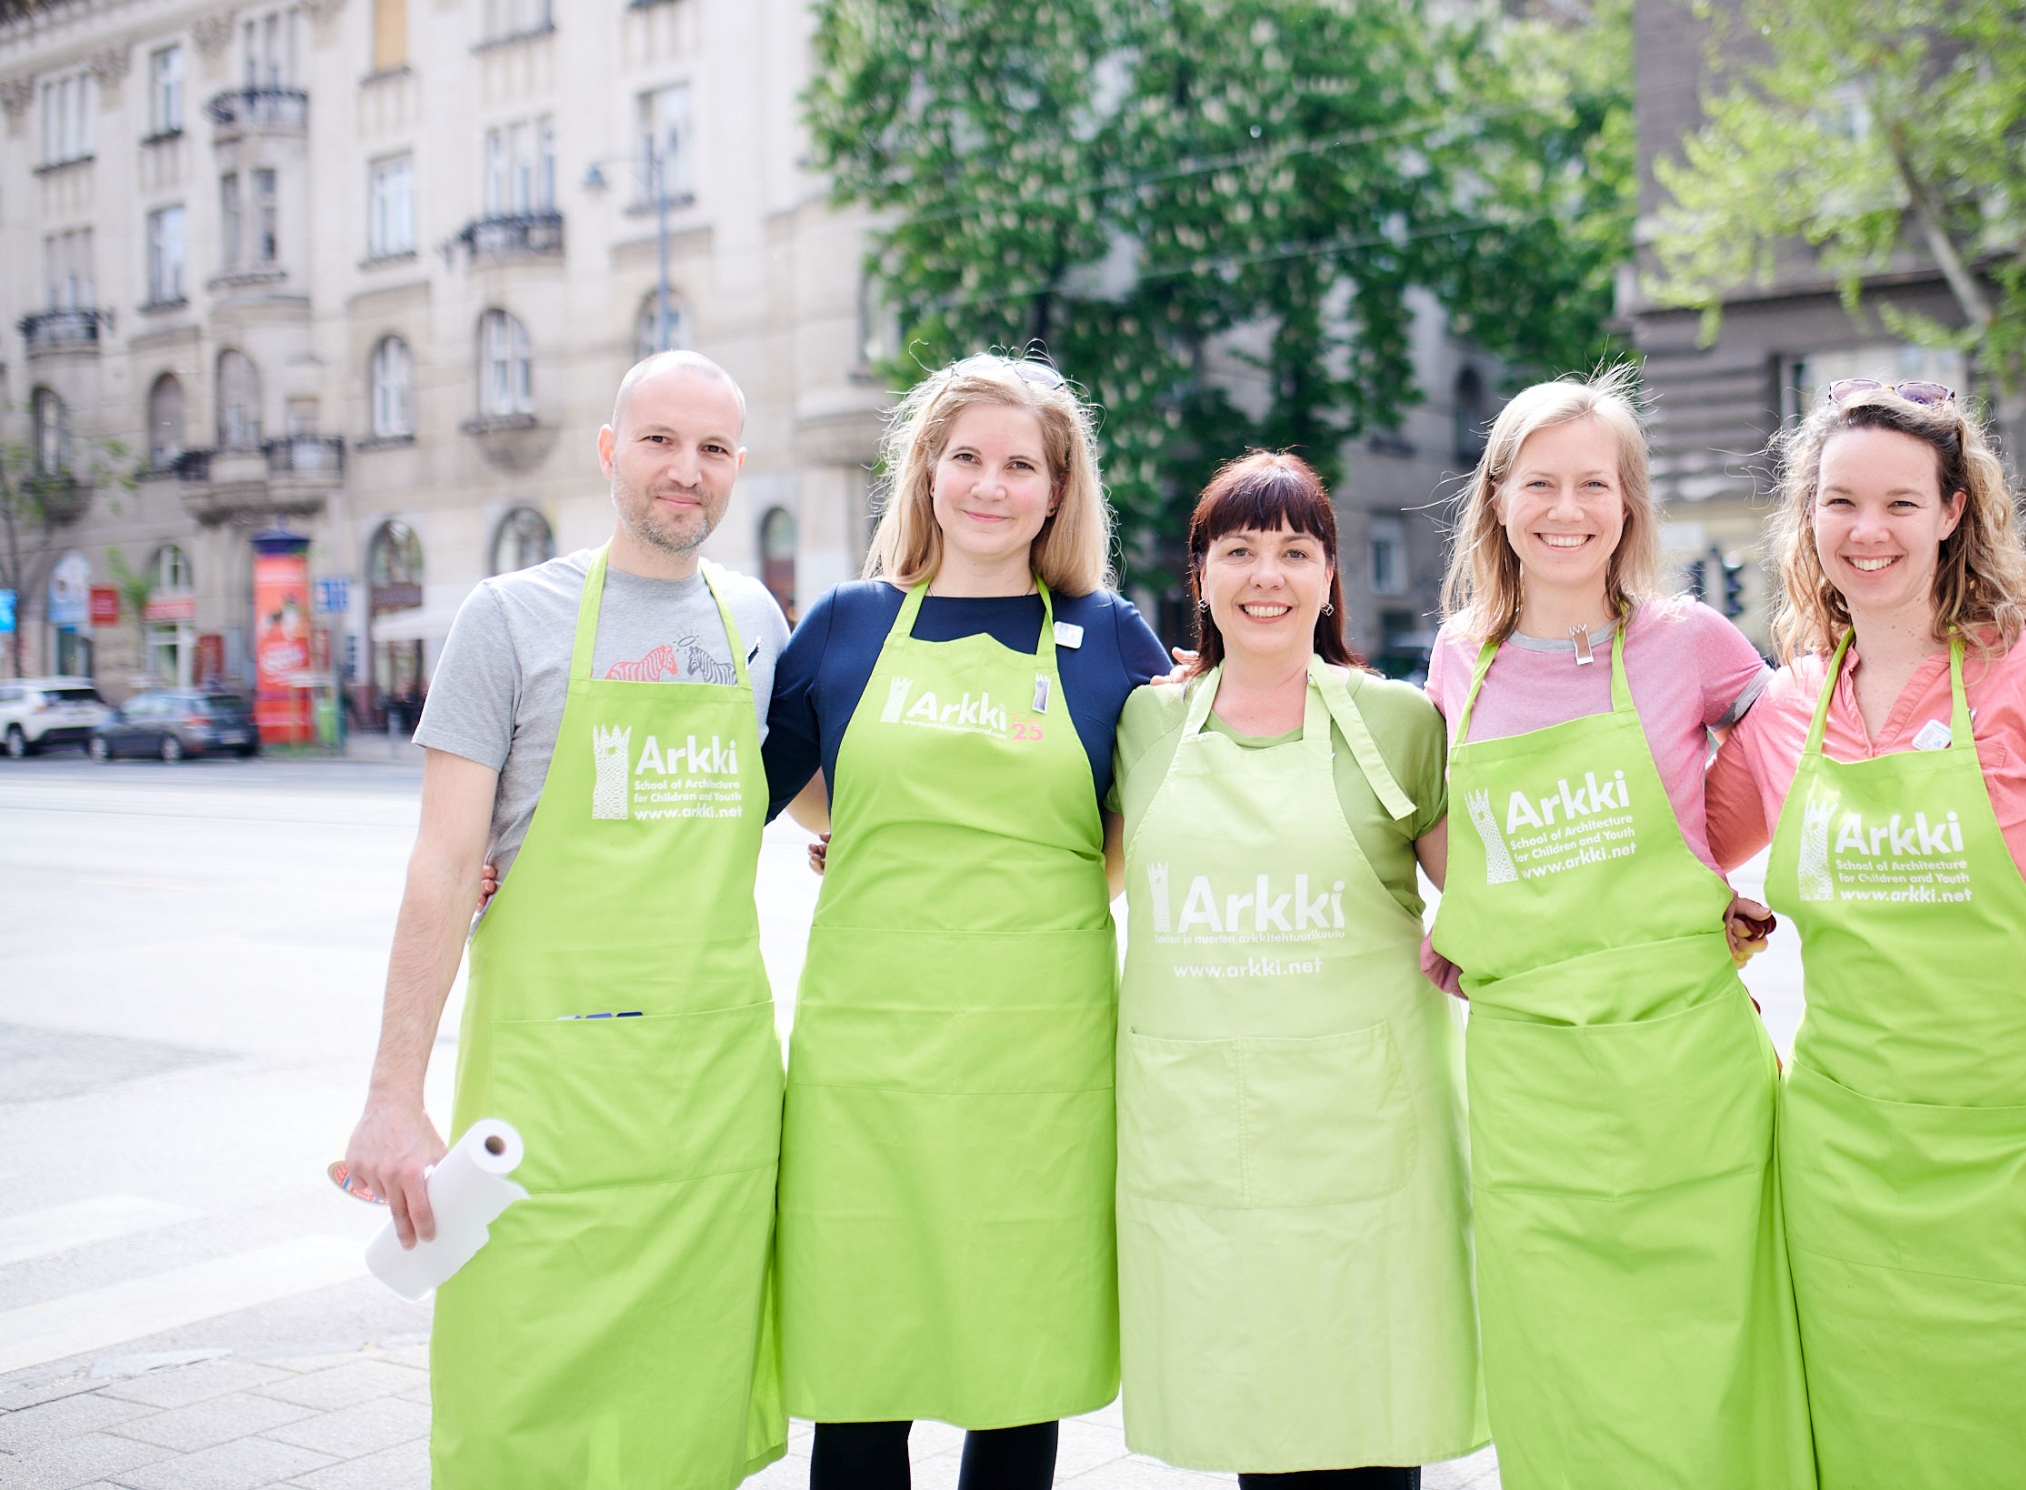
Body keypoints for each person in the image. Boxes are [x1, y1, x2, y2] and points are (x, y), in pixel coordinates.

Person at [1706, 380, 2026, 1489]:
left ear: (1952, 512)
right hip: (1844, 1181)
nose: (1867, 531)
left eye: (1898, 502)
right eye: (1839, 503)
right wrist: (1715, 919)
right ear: (1809, 522)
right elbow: (1673, 851)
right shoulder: (1788, 708)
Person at [342, 350, 793, 1487]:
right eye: (658, 441)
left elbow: (823, 793)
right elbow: (443, 868)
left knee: (684, 1400)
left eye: (712, 448)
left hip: (710, 1094)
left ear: (738, 465)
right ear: (609, 451)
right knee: (519, 1388)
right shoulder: (506, 617)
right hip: (546, 1090)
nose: (683, 471)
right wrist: (393, 1098)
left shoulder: (753, 619)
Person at [763, 354, 1169, 1490]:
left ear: (1057, 488)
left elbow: (1190, 817)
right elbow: (731, 795)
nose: (991, 485)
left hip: (1038, 1066)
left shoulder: (1114, 637)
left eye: (1020, 464)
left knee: (1014, 1371)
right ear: (924, 470)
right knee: (861, 1371)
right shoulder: (845, 627)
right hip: (869, 1065)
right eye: (967, 458)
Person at [1422, 374, 1816, 1489]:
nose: (1567, 508)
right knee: (1564, 1361)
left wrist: (1716, 873)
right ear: (1497, 500)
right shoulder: (1461, 654)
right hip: (1532, 1079)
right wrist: (1466, 918)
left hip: (1684, 1071)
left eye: (1595, 483)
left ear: (1629, 503)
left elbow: (1801, 740)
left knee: (1714, 1352)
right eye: (1539, 482)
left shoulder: (1688, 640)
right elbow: (1451, 822)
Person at [1106, 453, 1484, 1488]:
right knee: (1255, 1422)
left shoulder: (1397, 723)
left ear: (1328, 579)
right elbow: (1064, 867)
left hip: (1362, 1148)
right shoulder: (1143, 725)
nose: (1265, 575)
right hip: (1207, 1143)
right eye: (1239, 551)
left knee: (1367, 1421)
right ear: (1200, 575)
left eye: (1294, 551)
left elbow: (1490, 904)